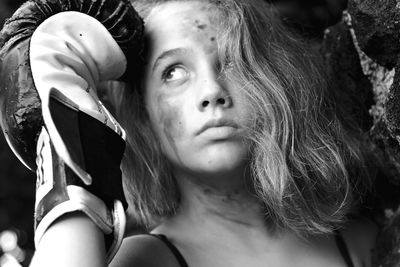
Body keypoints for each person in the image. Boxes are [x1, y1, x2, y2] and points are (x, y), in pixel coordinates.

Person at [1, 0, 378, 266]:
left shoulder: (363, 243)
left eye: (232, 62)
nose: (212, 91)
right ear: (143, 115)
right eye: (173, 72)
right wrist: (70, 145)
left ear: (273, 83)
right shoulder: (145, 261)